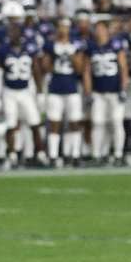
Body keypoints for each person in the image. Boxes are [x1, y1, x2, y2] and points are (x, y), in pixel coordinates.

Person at [0, 17, 47, 168]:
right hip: (9, 91)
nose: (13, 34)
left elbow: (36, 70)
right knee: (10, 124)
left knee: (35, 122)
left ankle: (40, 153)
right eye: (11, 31)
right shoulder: (3, 50)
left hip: (25, 91)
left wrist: (40, 92)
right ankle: (11, 154)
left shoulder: (29, 47)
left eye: (15, 31)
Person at [41, 17, 86, 168]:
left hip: (71, 87)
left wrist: (71, 55)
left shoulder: (75, 45)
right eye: (60, 27)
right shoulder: (50, 45)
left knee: (74, 122)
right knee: (54, 122)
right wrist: (54, 57)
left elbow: (80, 69)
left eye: (65, 27)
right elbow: (45, 67)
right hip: (55, 87)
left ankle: (75, 154)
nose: (63, 30)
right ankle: (53, 155)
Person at [84, 20, 129, 165]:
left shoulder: (115, 45)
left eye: (102, 29)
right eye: (97, 29)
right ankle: (96, 154)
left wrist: (123, 88)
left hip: (115, 91)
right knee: (97, 122)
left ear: (107, 30)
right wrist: (88, 92)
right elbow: (87, 71)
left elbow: (123, 68)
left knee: (116, 121)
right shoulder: (91, 47)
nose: (99, 32)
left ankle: (118, 154)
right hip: (98, 92)